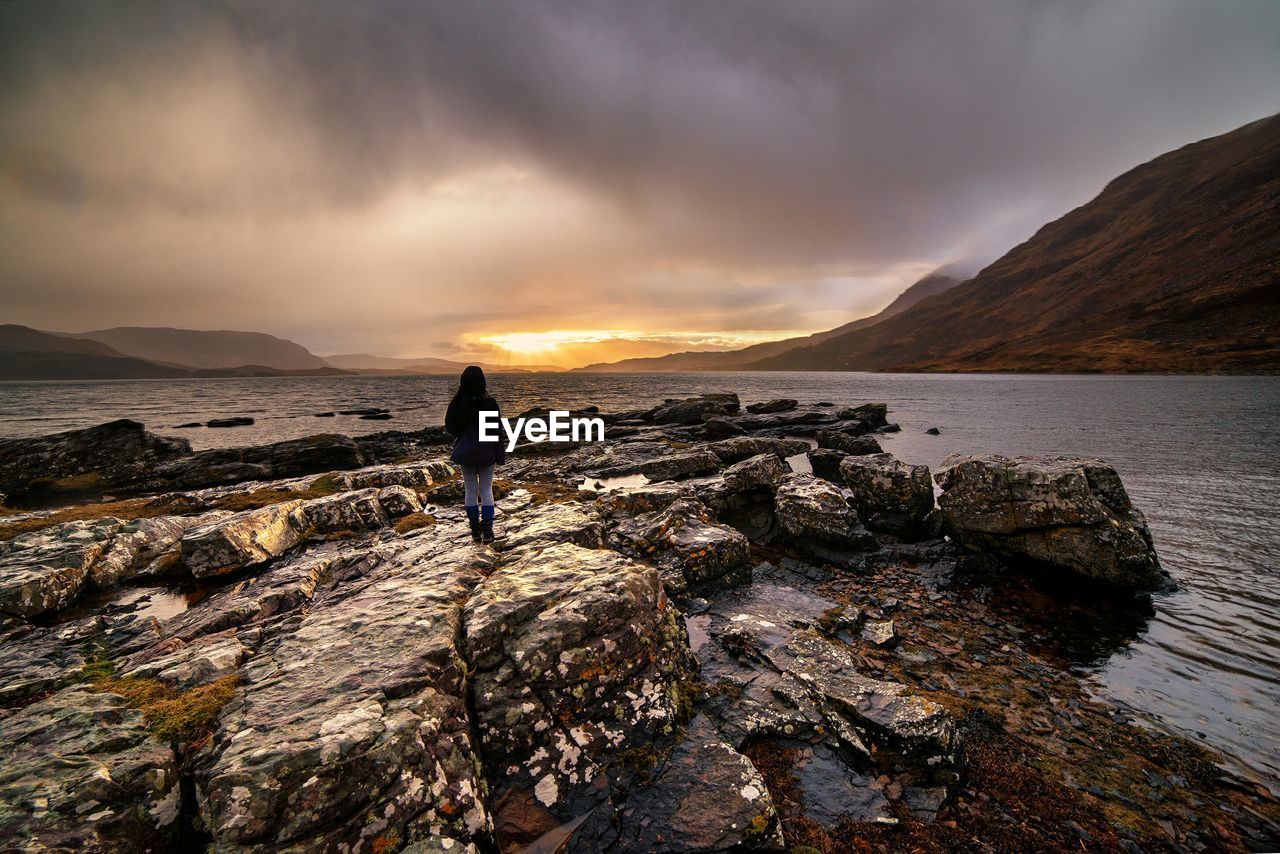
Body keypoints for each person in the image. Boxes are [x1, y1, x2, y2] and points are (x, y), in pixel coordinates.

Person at [445, 365, 505, 543]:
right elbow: (496, 431)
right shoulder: (489, 403)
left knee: (470, 490)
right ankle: (488, 531)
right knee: (486, 489)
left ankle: (475, 531)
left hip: (466, 452)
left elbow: (451, 428)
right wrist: (499, 454)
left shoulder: (457, 403)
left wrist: (464, 434)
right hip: (486, 452)